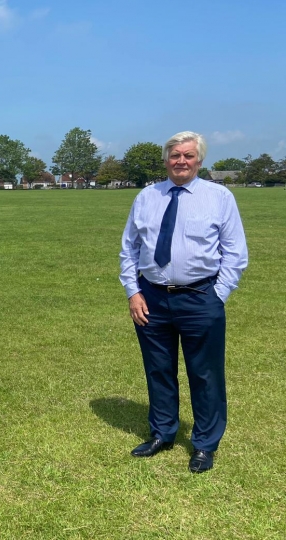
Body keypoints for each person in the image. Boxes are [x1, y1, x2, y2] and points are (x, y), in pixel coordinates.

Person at [119, 131, 248, 473]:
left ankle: (205, 444)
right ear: (166, 160)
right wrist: (133, 291)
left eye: (188, 156)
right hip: (152, 299)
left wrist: (216, 295)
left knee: (205, 374)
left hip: (200, 297)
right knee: (159, 370)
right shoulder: (147, 197)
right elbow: (129, 248)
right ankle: (163, 433)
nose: (181, 161)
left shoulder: (219, 197)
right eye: (175, 155)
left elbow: (235, 254)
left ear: (199, 160)